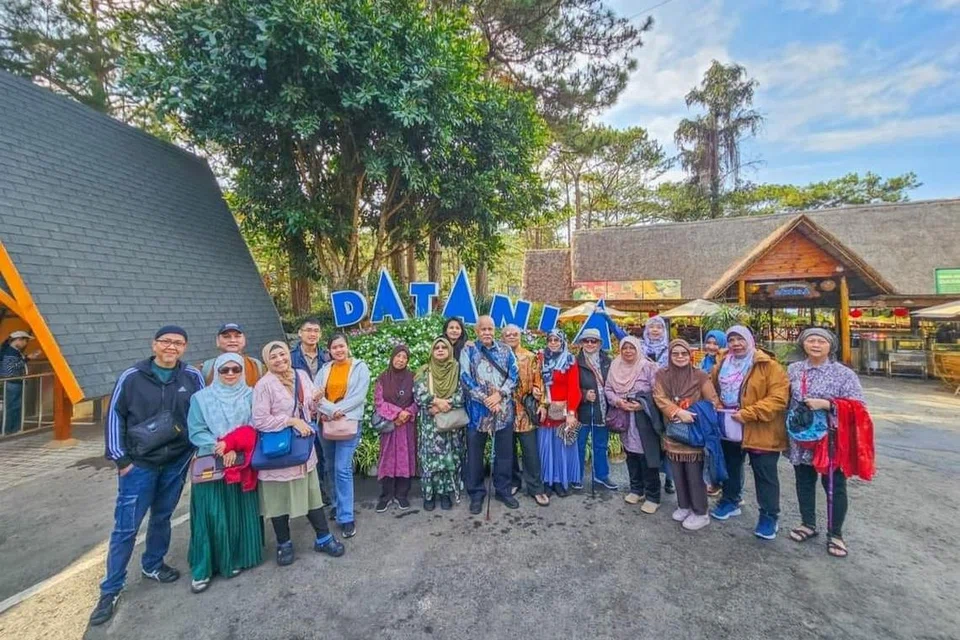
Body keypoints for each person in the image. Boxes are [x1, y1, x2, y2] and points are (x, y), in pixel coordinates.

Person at [90, 326, 205, 626]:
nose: (171, 347)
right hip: (138, 464)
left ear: (185, 347)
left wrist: (196, 448)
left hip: (176, 461)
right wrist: (121, 458)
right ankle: (111, 589)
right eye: (166, 341)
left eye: (178, 343)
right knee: (126, 527)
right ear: (154, 344)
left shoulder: (191, 377)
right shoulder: (132, 377)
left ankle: (153, 563)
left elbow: (203, 412)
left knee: (162, 516)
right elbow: (115, 415)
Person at [253, 341, 344, 566]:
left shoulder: (301, 376)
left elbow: (311, 408)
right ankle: (284, 544)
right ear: (267, 360)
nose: (280, 359)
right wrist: (291, 420)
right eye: (273, 357)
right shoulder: (264, 385)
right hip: (277, 452)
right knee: (278, 502)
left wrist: (316, 400)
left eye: (282, 354)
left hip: (302, 449)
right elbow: (259, 420)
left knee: (312, 496)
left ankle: (323, 538)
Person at [787, 328, 873, 558]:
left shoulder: (843, 374)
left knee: (834, 485)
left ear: (830, 346)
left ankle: (835, 533)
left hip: (831, 438)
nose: (815, 345)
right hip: (801, 436)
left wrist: (826, 403)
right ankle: (808, 523)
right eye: (811, 341)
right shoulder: (794, 370)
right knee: (803, 481)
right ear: (803, 344)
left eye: (821, 341)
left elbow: (858, 405)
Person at [186, 353, 262, 593]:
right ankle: (204, 568)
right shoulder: (201, 398)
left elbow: (254, 425)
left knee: (238, 510)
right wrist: (220, 447)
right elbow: (196, 430)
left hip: (241, 462)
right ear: (216, 372)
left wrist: (234, 445)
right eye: (224, 370)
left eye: (235, 369)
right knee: (211, 515)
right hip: (212, 462)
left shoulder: (251, 394)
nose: (230, 374)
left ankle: (238, 558)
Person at [709, 325, 790, 540]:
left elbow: (779, 398)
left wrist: (749, 413)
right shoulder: (722, 362)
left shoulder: (768, 366)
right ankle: (730, 500)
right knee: (731, 466)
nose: (736, 344)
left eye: (740, 339)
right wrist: (715, 402)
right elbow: (712, 387)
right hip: (728, 425)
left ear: (750, 340)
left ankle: (769, 516)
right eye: (732, 340)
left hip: (760, 427)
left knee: (764, 473)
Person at [654, 340, 721, 531]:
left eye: (684, 353)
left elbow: (712, 400)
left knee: (694, 473)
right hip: (674, 428)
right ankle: (684, 505)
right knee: (677, 471)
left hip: (694, 430)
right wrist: (676, 411)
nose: (680, 357)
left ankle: (700, 511)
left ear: (690, 355)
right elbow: (659, 397)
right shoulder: (662, 374)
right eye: (675, 354)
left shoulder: (699, 375)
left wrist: (692, 411)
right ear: (670, 355)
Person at [460, 315, 520, 514]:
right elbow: (465, 378)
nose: (487, 332)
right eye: (483, 329)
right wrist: (486, 399)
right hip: (477, 413)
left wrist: (500, 395)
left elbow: (514, 375)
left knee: (504, 455)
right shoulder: (469, 350)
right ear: (477, 331)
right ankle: (476, 493)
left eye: (490, 329)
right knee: (475, 456)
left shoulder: (506, 350)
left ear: (494, 330)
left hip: (503, 412)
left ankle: (503, 490)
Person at [316, 333, 371, 538]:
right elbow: (316, 394)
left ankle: (346, 517)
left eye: (341, 346)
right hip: (327, 425)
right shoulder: (324, 370)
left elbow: (359, 395)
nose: (338, 350)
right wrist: (331, 411)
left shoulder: (359, 367)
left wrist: (339, 410)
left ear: (348, 347)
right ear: (329, 351)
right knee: (330, 467)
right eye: (334, 347)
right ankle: (337, 505)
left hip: (348, 423)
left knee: (342, 468)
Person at [604, 336, 660, 512]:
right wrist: (618, 402)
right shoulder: (615, 365)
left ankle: (653, 495)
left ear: (638, 349)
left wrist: (641, 405)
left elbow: (659, 391)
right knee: (630, 453)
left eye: (632, 348)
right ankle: (636, 489)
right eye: (625, 348)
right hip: (624, 416)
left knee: (646, 455)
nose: (628, 351)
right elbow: (608, 389)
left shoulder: (648, 367)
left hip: (643, 418)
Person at [415, 337, 466, 510]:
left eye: (444, 347)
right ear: (432, 351)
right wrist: (436, 402)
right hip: (430, 425)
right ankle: (429, 495)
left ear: (449, 351)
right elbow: (419, 395)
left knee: (448, 460)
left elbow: (463, 394)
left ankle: (445, 494)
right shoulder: (424, 371)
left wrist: (446, 404)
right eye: (436, 347)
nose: (440, 350)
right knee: (430, 461)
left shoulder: (456, 370)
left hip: (450, 424)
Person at [502, 324, 549, 507]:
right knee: (509, 451)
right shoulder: (498, 356)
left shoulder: (530, 357)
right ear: (502, 337)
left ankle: (536, 488)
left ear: (520, 336)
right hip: (505, 411)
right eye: (508, 334)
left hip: (525, 412)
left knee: (530, 452)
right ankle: (514, 482)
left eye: (515, 334)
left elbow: (539, 382)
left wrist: (542, 403)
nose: (511, 336)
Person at [373, 344, 419, 512]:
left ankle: (401, 495)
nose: (400, 360)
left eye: (404, 357)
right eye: (398, 356)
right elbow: (379, 402)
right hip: (390, 426)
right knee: (388, 459)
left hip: (406, 427)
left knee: (404, 459)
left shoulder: (413, 377)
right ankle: (385, 496)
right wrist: (397, 414)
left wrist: (408, 412)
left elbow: (418, 401)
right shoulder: (383, 378)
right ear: (392, 357)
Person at [537, 329, 582, 498]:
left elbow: (574, 387)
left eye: (557, 339)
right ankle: (547, 481)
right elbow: (536, 381)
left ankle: (559, 480)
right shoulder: (541, 358)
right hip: (546, 409)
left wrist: (571, 412)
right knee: (546, 446)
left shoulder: (570, 360)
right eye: (551, 339)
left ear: (562, 341)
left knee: (561, 446)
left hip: (564, 410)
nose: (553, 343)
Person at [575, 328, 618, 491]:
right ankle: (576, 476)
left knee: (601, 445)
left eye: (594, 341)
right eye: (586, 341)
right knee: (579, 444)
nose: (590, 344)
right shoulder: (575, 362)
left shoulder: (607, 361)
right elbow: (570, 387)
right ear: (581, 343)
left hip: (603, 410)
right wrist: (585, 394)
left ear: (600, 343)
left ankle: (602, 476)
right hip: (583, 411)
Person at [199, 323, 265, 386]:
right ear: (217, 341)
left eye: (237, 336)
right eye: (226, 337)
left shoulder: (256, 365)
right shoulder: (206, 367)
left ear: (244, 340)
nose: (233, 340)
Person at [0, 330, 40, 434]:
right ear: (18, 340)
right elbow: (9, 368)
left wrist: (27, 358)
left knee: (15, 406)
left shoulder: (12, 351)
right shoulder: (10, 352)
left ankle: (13, 429)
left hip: (14, 382)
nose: (25, 344)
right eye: (25, 341)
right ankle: (9, 430)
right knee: (12, 407)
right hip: (12, 382)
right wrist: (27, 358)